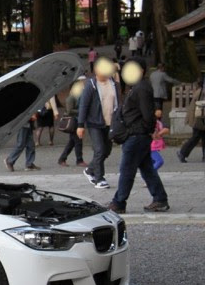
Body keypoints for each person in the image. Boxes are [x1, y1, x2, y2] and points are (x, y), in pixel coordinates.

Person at [108, 59, 169, 213]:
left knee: (127, 170)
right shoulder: (136, 87)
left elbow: (148, 115)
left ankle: (119, 202)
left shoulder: (142, 88)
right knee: (147, 168)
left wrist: (144, 130)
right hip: (137, 134)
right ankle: (160, 199)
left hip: (136, 135)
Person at [77, 57, 120, 189]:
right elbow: (83, 105)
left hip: (110, 122)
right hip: (95, 123)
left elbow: (118, 102)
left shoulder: (113, 83)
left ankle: (90, 170)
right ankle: (99, 178)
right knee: (99, 150)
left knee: (106, 151)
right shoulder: (91, 85)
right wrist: (80, 125)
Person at [58, 78, 86, 167]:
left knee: (72, 142)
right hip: (73, 122)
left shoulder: (79, 96)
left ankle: (62, 159)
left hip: (77, 120)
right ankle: (79, 160)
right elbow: (69, 110)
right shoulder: (71, 97)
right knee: (78, 141)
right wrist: (82, 111)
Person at [177, 76, 205, 163]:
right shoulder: (202, 92)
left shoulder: (199, 91)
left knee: (200, 137)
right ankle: (182, 152)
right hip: (199, 118)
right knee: (195, 137)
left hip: (198, 117)